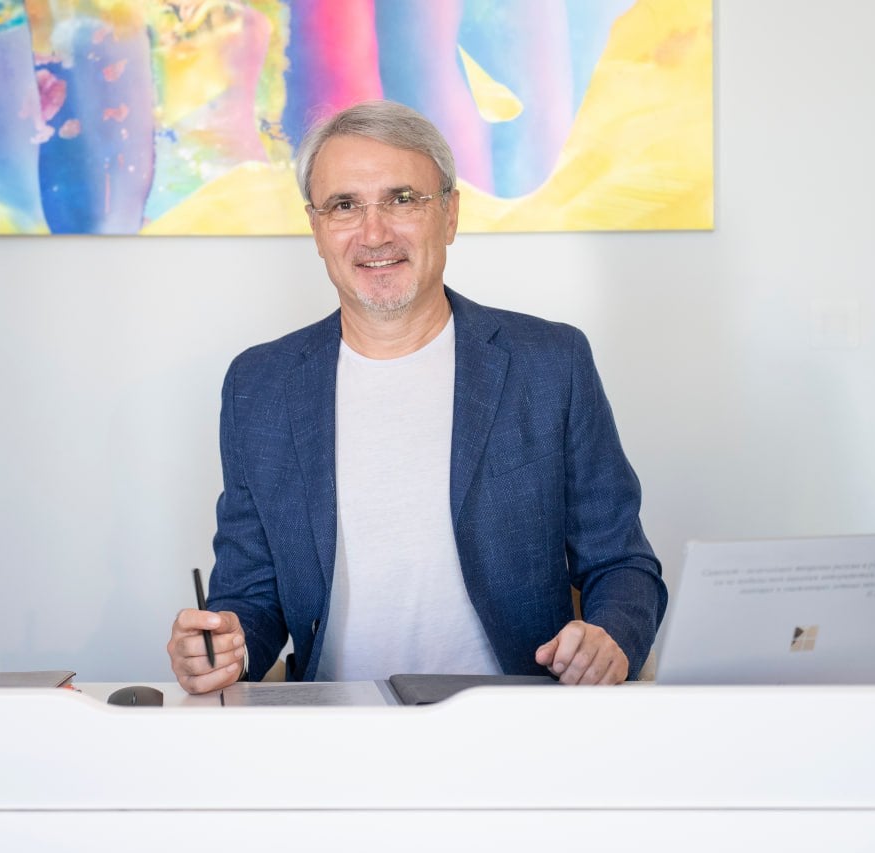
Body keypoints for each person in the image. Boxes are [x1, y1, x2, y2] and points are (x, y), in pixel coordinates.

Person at [168, 100, 665, 693]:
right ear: (317, 228)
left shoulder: (550, 363)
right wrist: (224, 645)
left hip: (514, 719)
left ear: (449, 215)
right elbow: (249, 597)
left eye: (402, 199)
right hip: (330, 725)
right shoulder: (259, 385)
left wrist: (611, 636)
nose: (374, 233)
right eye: (344, 205)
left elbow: (622, 563)